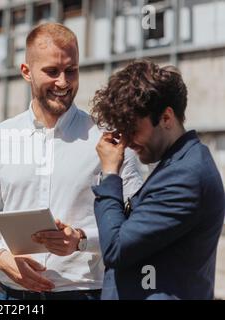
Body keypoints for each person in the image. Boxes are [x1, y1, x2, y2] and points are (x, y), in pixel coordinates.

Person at [0, 23, 143, 300]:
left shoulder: (109, 139)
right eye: (51, 71)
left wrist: (80, 240)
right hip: (12, 295)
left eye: (71, 71)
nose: (63, 82)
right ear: (26, 72)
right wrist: (0, 257)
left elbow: (136, 220)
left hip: (83, 293)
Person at [91, 60, 225, 300]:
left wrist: (110, 173)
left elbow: (115, 248)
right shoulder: (178, 164)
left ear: (166, 118)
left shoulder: (185, 176)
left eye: (133, 129)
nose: (127, 142)